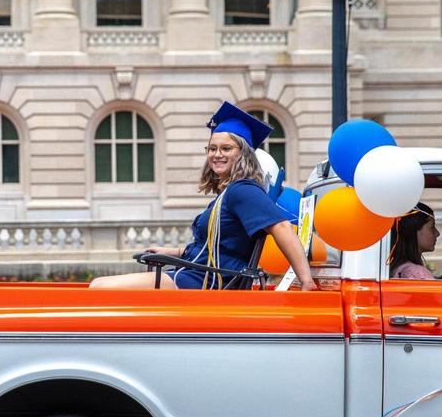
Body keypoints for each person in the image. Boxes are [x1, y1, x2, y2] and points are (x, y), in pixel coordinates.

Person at [90, 102, 317, 291]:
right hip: (197, 274)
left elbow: (282, 227)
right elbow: (218, 246)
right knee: (98, 285)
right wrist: (175, 252)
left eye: (226, 149)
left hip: (207, 282)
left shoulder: (242, 190)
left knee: (99, 288)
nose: (217, 154)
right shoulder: (227, 194)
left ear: (243, 154)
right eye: (212, 148)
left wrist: (306, 280)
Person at [388, 202, 439, 280]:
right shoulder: (416, 273)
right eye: (432, 227)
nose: (437, 233)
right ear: (414, 230)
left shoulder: (397, 267)